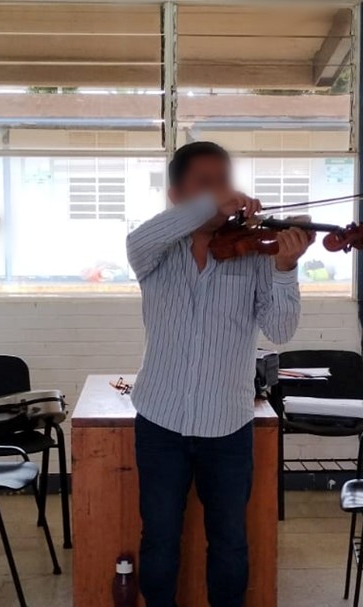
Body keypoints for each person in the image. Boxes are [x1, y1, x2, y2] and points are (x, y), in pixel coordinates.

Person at [125, 141, 310, 607]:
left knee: (229, 541)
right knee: (159, 538)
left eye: (225, 181)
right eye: (204, 184)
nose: (221, 192)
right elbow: (140, 239)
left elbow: (280, 330)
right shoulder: (154, 252)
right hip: (160, 421)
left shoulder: (254, 250)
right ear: (176, 195)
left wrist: (285, 268)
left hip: (228, 424)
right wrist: (211, 205)